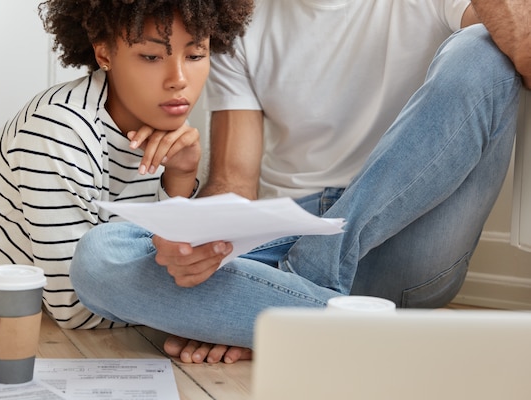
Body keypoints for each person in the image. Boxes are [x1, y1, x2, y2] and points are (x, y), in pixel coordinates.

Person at [69, 0, 525, 362]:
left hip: (404, 237)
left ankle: (291, 296)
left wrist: (226, 313)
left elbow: (519, 47)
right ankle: (315, 316)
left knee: (483, 50)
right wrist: (195, 239)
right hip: (287, 234)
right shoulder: (239, 19)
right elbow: (234, 181)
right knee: (98, 256)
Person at [0, 0, 254, 328]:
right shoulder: (59, 131)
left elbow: (151, 252)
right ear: (104, 53)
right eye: (150, 56)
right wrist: (196, 316)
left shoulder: (164, 130)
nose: (178, 78)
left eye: (195, 54)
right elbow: (76, 307)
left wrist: (181, 176)